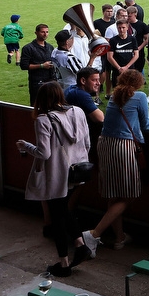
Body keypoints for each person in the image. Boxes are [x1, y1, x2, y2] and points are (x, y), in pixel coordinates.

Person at [17, 82, 91, 277]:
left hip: (57, 175)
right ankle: (80, 246)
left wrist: (26, 146)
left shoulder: (43, 119)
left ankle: (64, 264)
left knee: (57, 218)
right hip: (78, 171)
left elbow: (43, 152)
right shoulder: (78, 111)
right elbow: (87, 143)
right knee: (63, 210)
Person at [79, 70, 149, 260]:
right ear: (138, 83)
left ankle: (119, 238)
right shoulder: (139, 97)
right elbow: (145, 125)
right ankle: (94, 234)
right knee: (130, 194)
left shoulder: (114, 95)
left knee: (113, 192)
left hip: (104, 143)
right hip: (123, 146)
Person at [20, 23, 56, 105]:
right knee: (37, 104)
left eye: (47, 32)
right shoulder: (28, 48)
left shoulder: (50, 47)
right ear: (36, 33)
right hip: (37, 82)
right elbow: (24, 66)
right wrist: (42, 66)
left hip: (51, 80)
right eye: (42, 32)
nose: (45, 34)